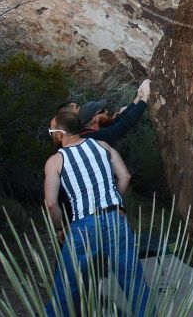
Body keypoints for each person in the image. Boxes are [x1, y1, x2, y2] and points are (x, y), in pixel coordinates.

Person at [44, 111, 151, 316]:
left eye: (52, 131)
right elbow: (126, 177)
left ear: (60, 134)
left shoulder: (56, 161)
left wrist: (60, 228)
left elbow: (51, 203)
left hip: (83, 227)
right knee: (134, 284)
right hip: (115, 221)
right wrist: (114, 204)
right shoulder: (102, 146)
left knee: (66, 289)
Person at [77, 80, 151, 148]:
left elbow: (118, 120)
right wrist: (145, 97)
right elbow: (125, 123)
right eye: (102, 111)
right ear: (95, 118)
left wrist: (138, 98)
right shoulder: (94, 137)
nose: (106, 111)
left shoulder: (91, 129)